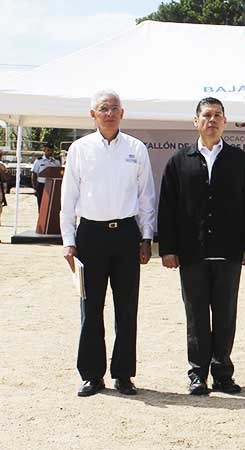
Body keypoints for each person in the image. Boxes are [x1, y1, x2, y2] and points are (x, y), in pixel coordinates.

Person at [158, 97, 245, 396]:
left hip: (229, 253)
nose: (212, 120)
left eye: (218, 115)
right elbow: (167, 207)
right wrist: (168, 248)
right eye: (206, 115)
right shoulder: (179, 161)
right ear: (196, 121)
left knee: (226, 314)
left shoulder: (239, 160)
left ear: (225, 122)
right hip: (192, 254)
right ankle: (197, 374)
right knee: (196, 315)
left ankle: (223, 373)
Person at [59, 90, 156, 397]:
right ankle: (91, 375)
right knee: (90, 307)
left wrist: (146, 236)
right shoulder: (79, 149)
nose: (110, 113)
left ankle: (124, 374)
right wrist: (68, 241)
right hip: (90, 236)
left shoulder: (136, 149)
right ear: (93, 114)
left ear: (122, 113)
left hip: (126, 234)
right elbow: (68, 199)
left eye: (115, 108)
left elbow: (146, 197)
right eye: (104, 108)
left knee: (126, 308)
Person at [31, 144, 62, 209]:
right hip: (42, 185)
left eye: (51, 151)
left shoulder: (56, 162)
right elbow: (34, 174)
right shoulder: (39, 161)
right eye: (48, 150)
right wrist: (35, 188)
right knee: (42, 205)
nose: (50, 152)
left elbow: (59, 173)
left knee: (52, 206)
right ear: (44, 150)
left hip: (53, 186)